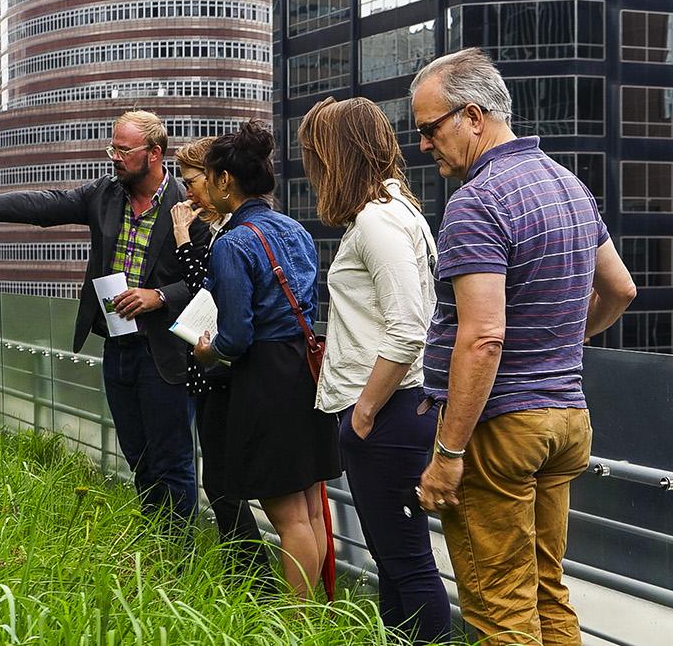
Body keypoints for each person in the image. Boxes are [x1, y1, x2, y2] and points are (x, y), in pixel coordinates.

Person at [409, 48, 637, 646]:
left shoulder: (478, 201)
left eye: (430, 129)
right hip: (565, 419)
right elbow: (620, 288)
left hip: (498, 429)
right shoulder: (568, 185)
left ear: (474, 116)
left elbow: (482, 336)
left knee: (500, 609)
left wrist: (448, 452)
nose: (425, 146)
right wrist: (565, 339)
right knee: (545, 589)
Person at [0, 110, 206, 525]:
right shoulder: (105, 194)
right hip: (118, 348)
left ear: (154, 153)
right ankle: (157, 545)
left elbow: (207, 278)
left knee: (172, 462)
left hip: (167, 355)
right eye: (111, 148)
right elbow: (42, 205)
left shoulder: (187, 204)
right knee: (140, 459)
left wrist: (159, 296)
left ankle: (181, 555)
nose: (113, 157)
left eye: (123, 149)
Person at [299, 96, 449, 643]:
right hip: (389, 412)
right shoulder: (395, 211)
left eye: (318, 156)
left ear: (341, 155)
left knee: (406, 563)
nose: (314, 169)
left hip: (384, 413)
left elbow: (409, 326)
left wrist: (362, 413)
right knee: (393, 561)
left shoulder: (378, 221)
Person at [187, 120, 340, 600]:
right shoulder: (293, 229)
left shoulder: (231, 242)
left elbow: (236, 335)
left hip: (264, 378)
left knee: (287, 515)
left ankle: (292, 623)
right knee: (311, 509)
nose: (207, 188)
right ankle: (310, 616)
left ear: (225, 181)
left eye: (208, 178)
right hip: (304, 367)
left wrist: (207, 349)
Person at [166, 136, 262, 572]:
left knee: (223, 480)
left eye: (192, 181)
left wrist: (183, 236)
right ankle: (244, 571)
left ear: (219, 179)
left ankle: (252, 576)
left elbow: (203, 287)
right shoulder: (222, 224)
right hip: (211, 366)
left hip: (221, 365)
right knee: (220, 478)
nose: (187, 192)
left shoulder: (223, 231)